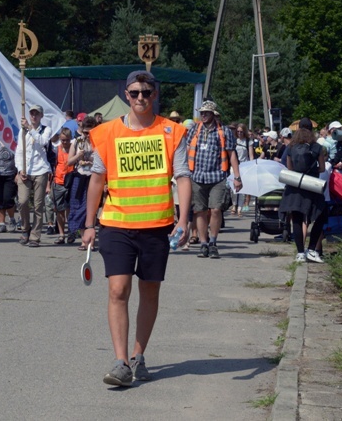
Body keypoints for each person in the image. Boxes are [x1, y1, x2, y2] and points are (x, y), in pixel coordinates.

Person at [81, 70, 191, 386]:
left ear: (155, 94)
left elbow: (182, 176)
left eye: (146, 91)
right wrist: (89, 224)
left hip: (158, 226)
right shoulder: (106, 133)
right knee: (118, 289)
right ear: (126, 95)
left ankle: (138, 355)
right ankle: (120, 363)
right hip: (116, 224)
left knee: (149, 290)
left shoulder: (173, 132)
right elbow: (97, 179)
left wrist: (183, 221)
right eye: (134, 92)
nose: (140, 97)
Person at [187, 100, 242, 259]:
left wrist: (237, 176)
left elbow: (232, 155)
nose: (203, 115)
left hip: (217, 176)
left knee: (216, 209)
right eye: (201, 113)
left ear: (213, 114)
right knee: (200, 211)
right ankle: (203, 244)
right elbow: (186, 150)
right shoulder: (194, 130)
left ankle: (213, 241)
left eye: (206, 113)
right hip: (197, 177)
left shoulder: (224, 132)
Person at [279, 120, 326, 263]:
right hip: (312, 186)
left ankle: (300, 253)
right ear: (311, 130)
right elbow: (322, 168)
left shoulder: (291, 147)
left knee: (297, 219)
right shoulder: (317, 147)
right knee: (321, 216)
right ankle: (312, 250)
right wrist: (312, 172)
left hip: (295, 186)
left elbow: (289, 167)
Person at [14, 104, 52, 247]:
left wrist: (30, 128)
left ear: (41, 116)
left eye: (36, 114)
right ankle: (25, 228)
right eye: (32, 114)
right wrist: (19, 169)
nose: (34, 116)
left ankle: (35, 236)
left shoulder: (46, 130)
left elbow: (42, 142)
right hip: (26, 170)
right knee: (22, 201)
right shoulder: (22, 132)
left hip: (40, 170)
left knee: (38, 205)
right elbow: (19, 151)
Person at [66, 116, 96, 248]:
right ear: (81, 130)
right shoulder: (76, 142)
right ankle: (84, 239)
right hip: (80, 176)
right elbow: (69, 162)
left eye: (91, 132)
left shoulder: (99, 142)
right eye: (85, 132)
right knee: (78, 206)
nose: (88, 135)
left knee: (91, 208)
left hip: (94, 177)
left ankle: (91, 242)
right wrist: (79, 156)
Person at [51, 127, 74, 244]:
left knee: (70, 209)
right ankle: (61, 234)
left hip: (71, 182)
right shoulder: (57, 149)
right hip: (59, 182)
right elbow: (53, 165)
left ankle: (71, 232)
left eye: (67, 140)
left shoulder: (73, 149)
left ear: (70, 139)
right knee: (59, 210)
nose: (64, 142)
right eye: (62, 140)